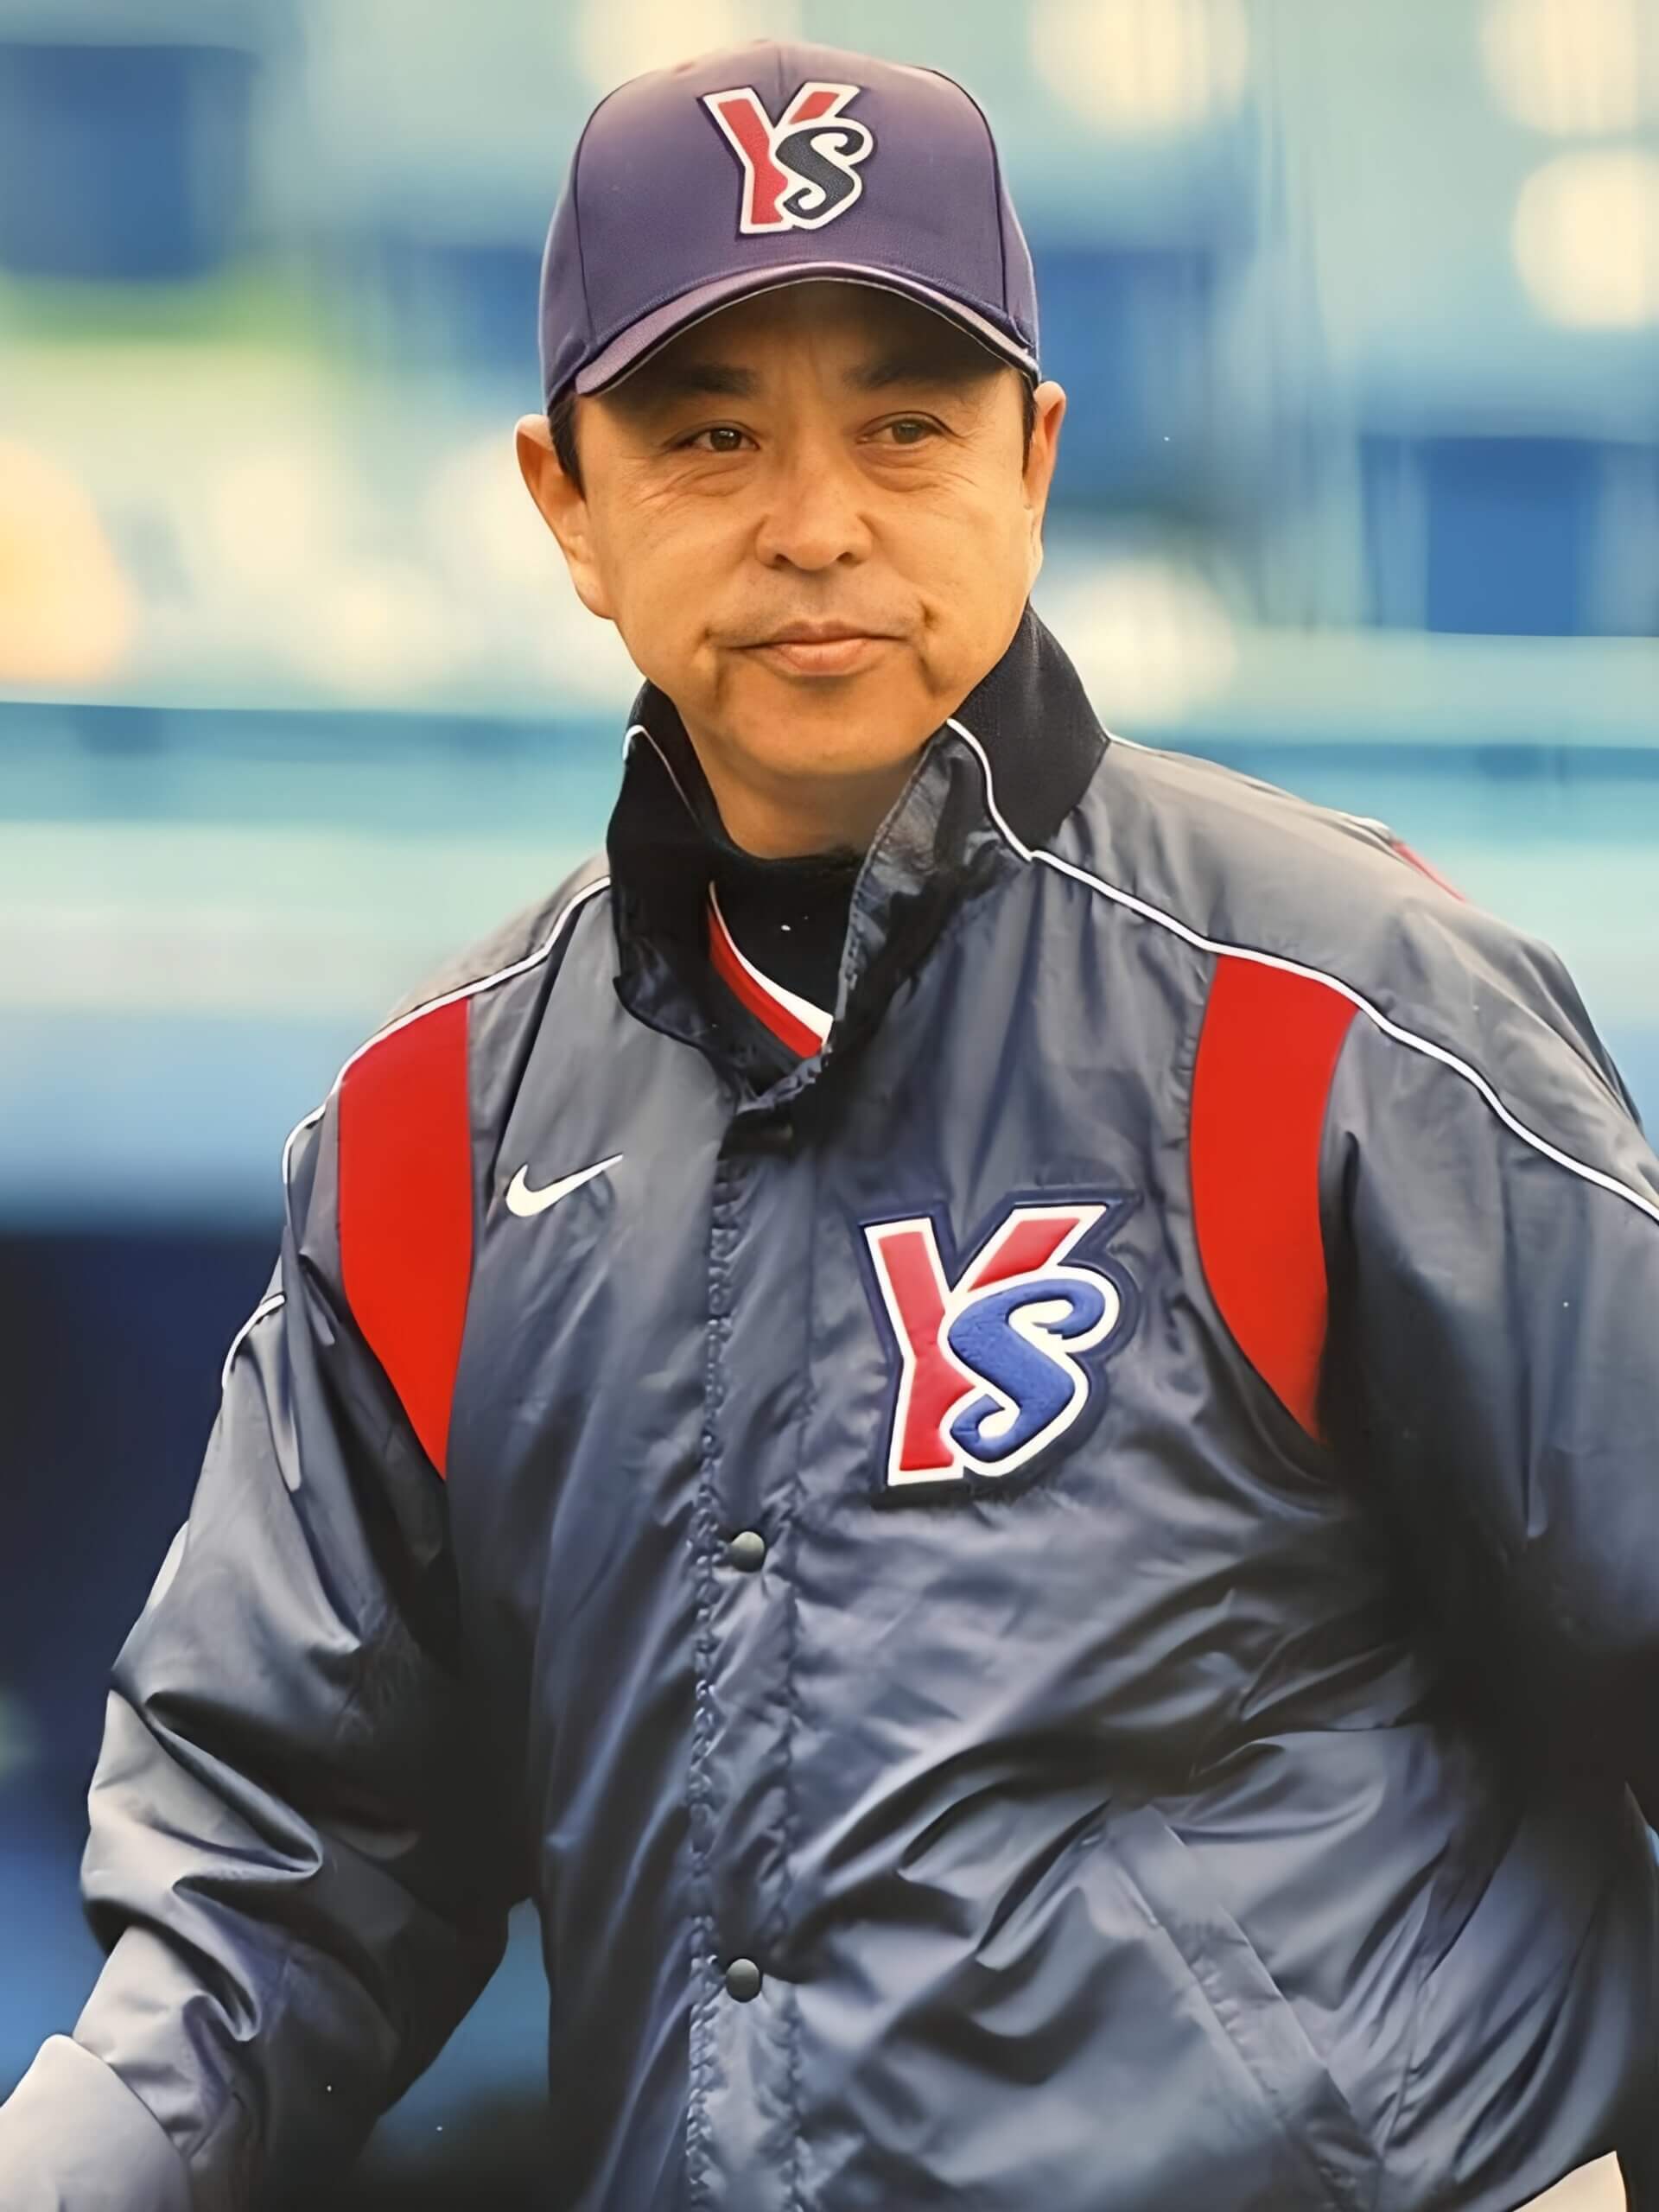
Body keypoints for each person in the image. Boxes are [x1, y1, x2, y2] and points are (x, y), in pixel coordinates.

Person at [2, 36, 1654, 2212]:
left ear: (1033, 458)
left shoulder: (1333, 1013)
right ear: (565, 502)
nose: (816, 522)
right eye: (710, 434)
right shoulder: (432, 1137)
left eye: (906, 425)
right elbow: (270, 1886)